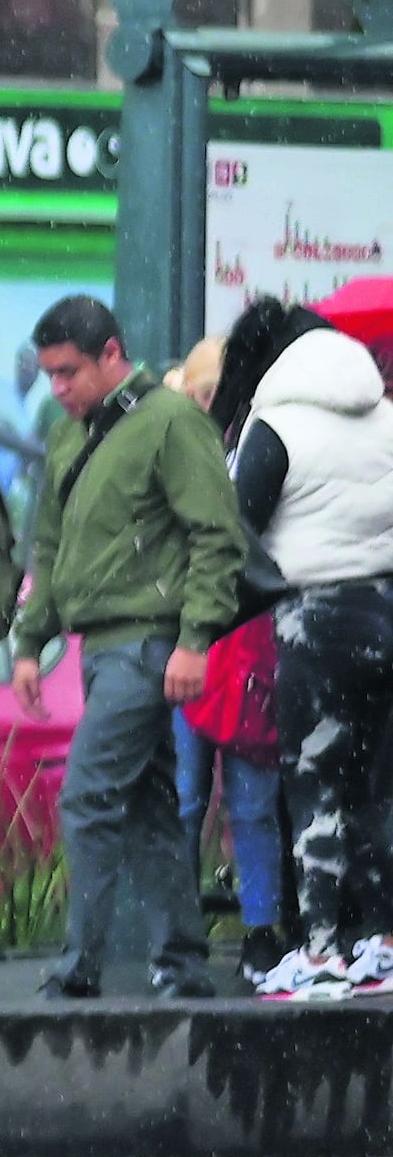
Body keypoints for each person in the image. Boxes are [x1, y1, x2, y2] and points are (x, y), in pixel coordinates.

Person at [12, 293, 245, 999]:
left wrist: (195, 638)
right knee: (146, 806)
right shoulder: (68, 434)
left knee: (88, 796)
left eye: (69, 371)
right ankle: (179, 961)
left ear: (112, 354)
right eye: (48, 373)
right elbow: (50, 546)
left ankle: (82, 964)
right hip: (105, 645)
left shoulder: (172, 421)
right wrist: (31, 641)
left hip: (146, 640)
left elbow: (217, 534)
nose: (57, 387)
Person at [236, 309, 393, 998]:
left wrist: (262, 592)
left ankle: (323, 948)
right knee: (377, 785)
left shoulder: (275, 428)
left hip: (313, 621)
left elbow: (233, 527)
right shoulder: (386, 419)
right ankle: (382, 943)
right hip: (385, 612)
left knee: (315, 782)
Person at [181, 313, 301, 982]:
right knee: (185, 797)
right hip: (204, 643)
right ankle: (178, 930)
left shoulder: (263, 442)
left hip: (246, 644)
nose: (207, 401)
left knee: (249, 799)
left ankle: (260, 927)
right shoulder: (188, 445)